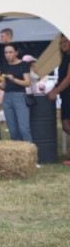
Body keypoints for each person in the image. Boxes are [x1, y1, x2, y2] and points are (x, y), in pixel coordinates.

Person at [0, 43, 32, 142]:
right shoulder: (4, 66)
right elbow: (4, 86)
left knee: (24, 128)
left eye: (10, 52)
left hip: (19, 95)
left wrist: (14, 79)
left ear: (16, 52)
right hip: (7, 97)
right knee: (13, 130)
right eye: (6, 53)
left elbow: (28, 83)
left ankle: (29, 148)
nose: (8, 55)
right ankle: (17, 149)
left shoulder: (24, 64)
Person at [48, 33, 70, 164]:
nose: (63, 44)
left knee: (67, 124)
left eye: (66, 41)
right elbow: (62, 78)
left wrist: (55, 91)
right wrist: (54, 88)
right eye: (61, 42)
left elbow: (68, 79)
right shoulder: (65, 57)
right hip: (65, 95)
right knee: (65, 124)